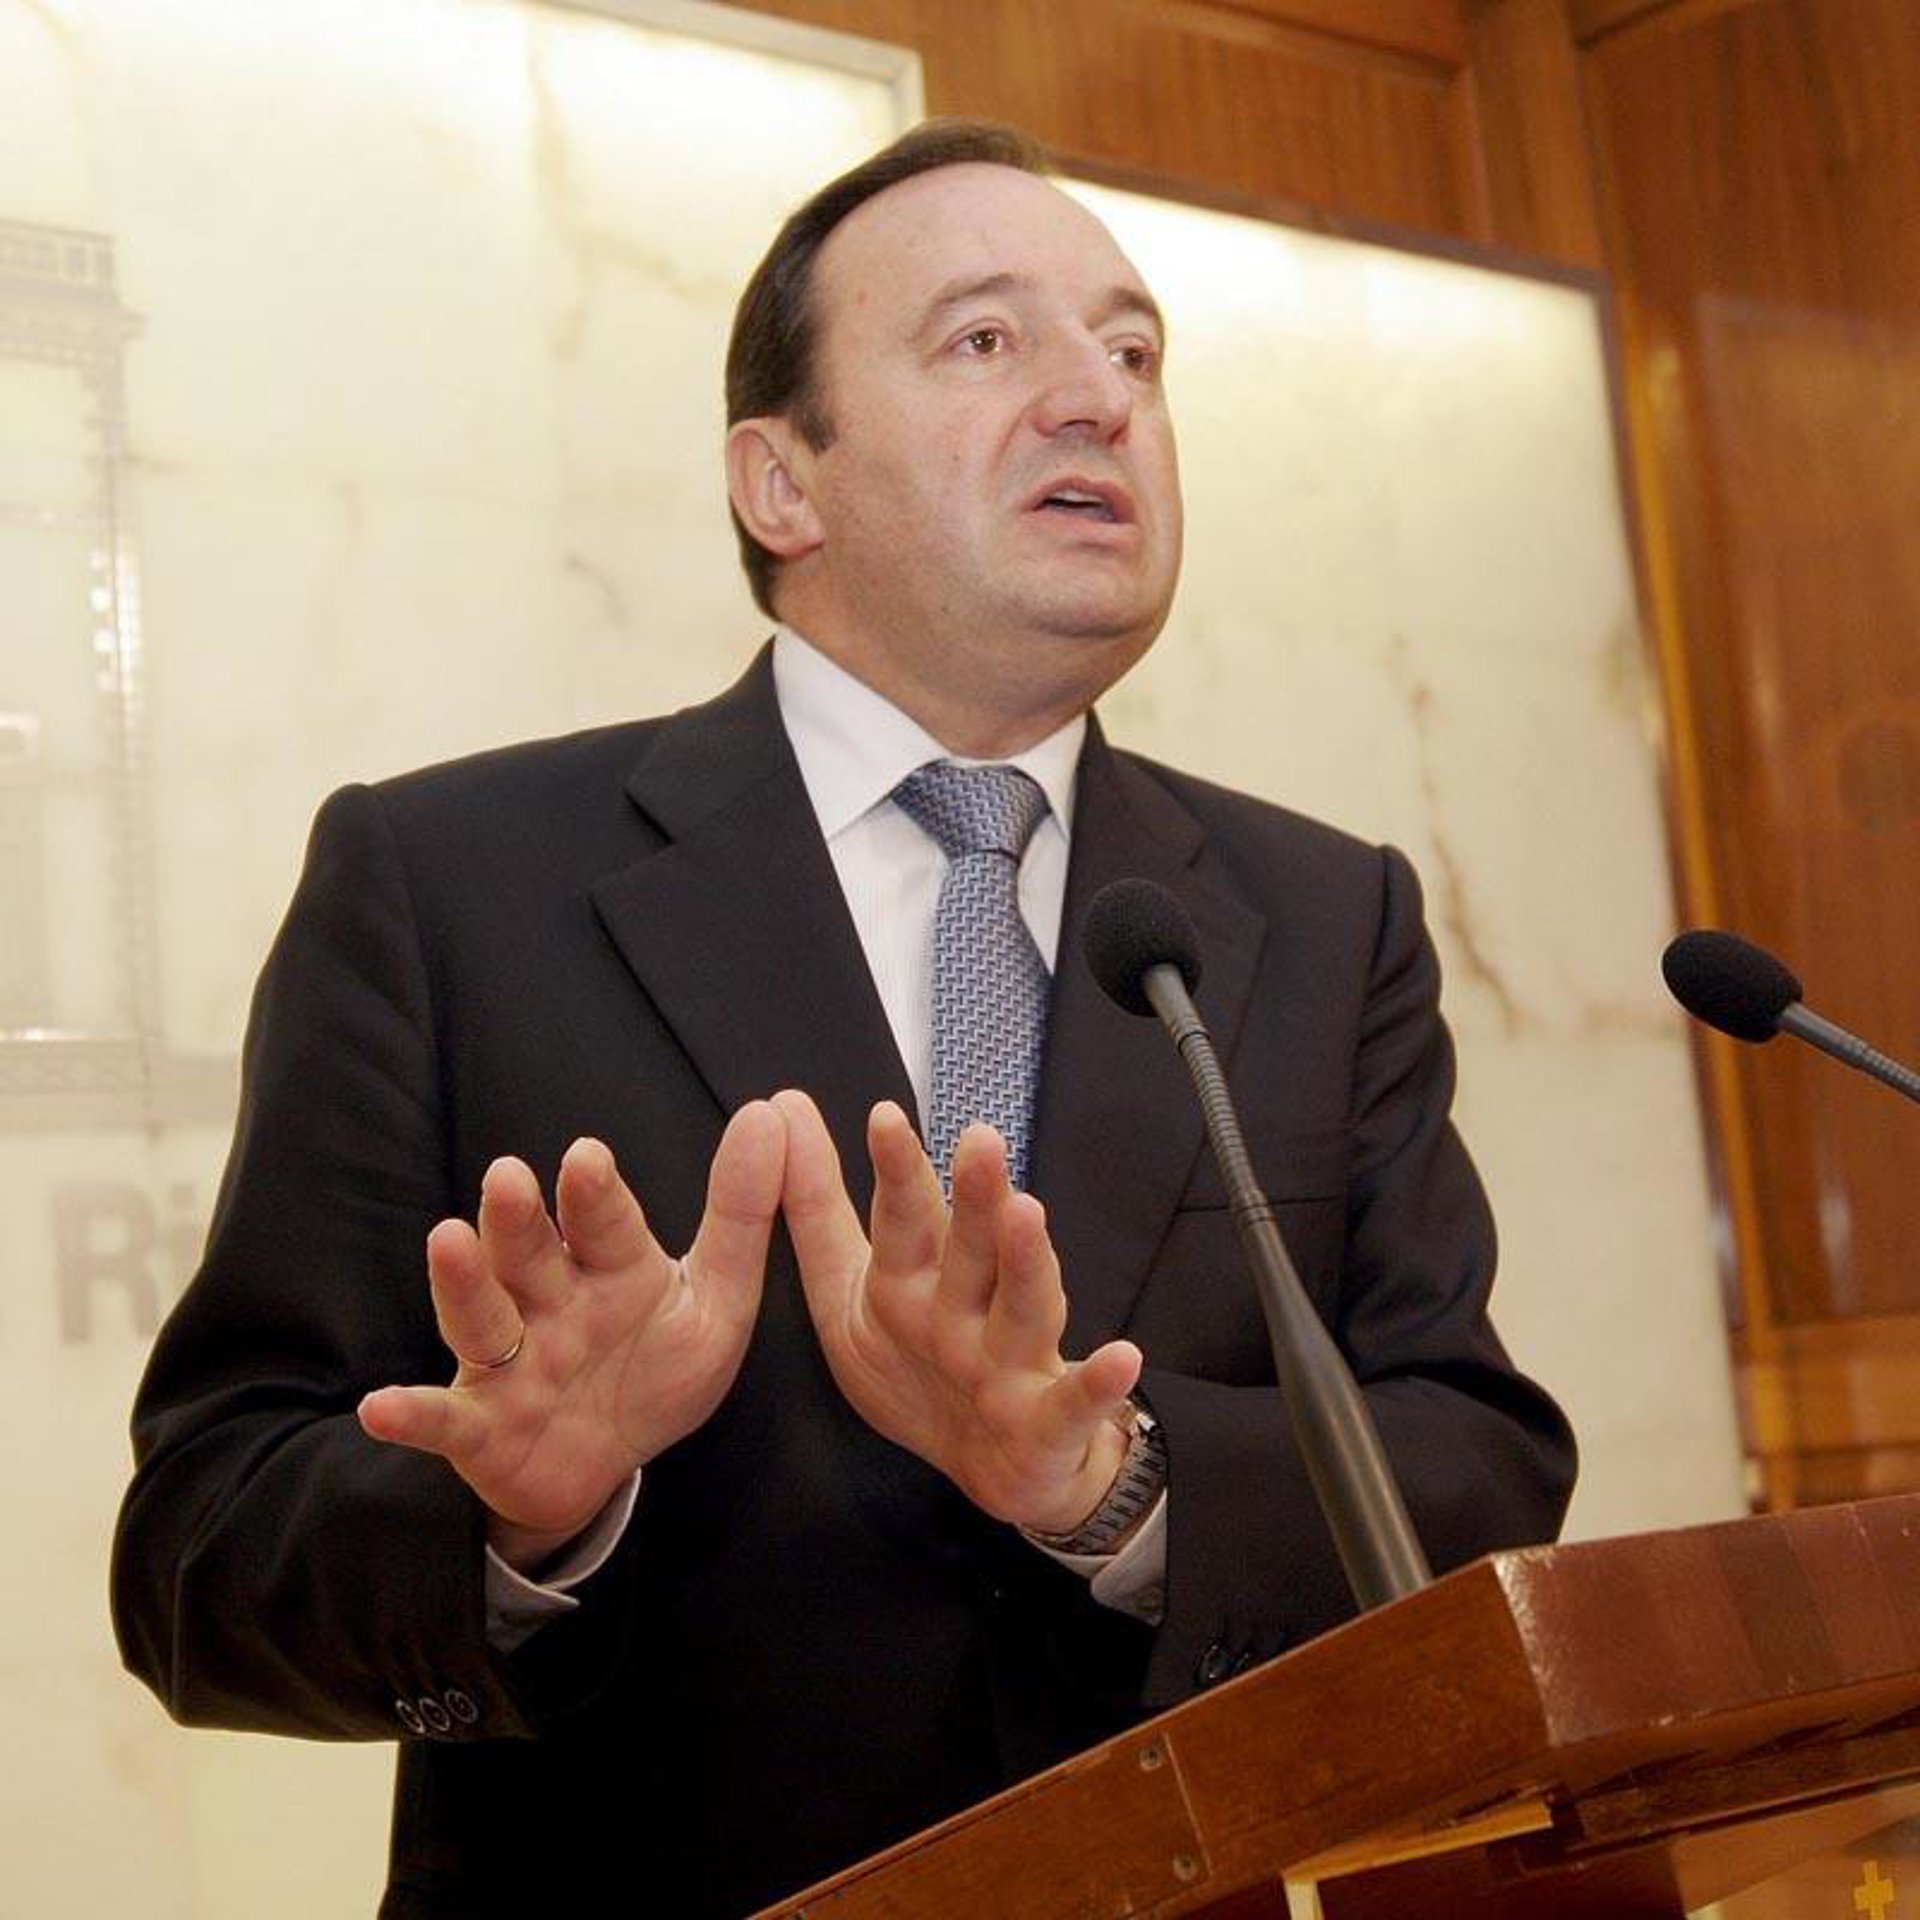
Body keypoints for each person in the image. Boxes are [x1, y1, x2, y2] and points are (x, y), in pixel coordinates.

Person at [112, 119, 1575, 1919]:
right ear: (779, 482)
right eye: (987, 339)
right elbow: (198, 1558)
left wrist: (1111, 1481)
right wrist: (512, 1519)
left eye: (1134, 351)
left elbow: (1481, 1474)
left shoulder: (1325, 916)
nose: (1099, 398)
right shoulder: (449, 885)